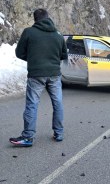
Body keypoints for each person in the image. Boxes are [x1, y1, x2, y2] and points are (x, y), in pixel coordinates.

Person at [9, 9, 68, 146]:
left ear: (35, 19)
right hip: (54, 74)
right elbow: (64, 56)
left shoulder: (29, 32)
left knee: (32, 105)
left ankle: (28, 137)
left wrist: (33, 59)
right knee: (57, 103)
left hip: (36, 75)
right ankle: (59, 133)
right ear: (48, 18)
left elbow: (19, 53)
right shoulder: (58, 35)